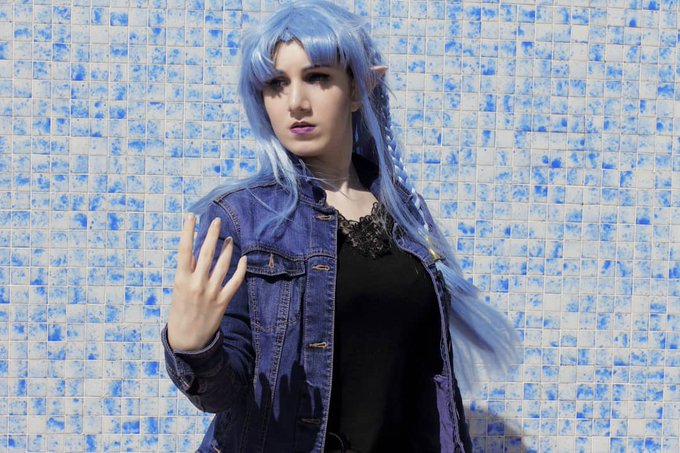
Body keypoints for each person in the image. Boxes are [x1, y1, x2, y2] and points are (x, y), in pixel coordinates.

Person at [162, 1, 519, 452]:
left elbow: (426, 379)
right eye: (276, 84)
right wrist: (193, 347)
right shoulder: (243, 219)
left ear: (358, 88)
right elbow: (223, 395)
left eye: (317, 77)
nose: (296, 102)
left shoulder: (406, 214)